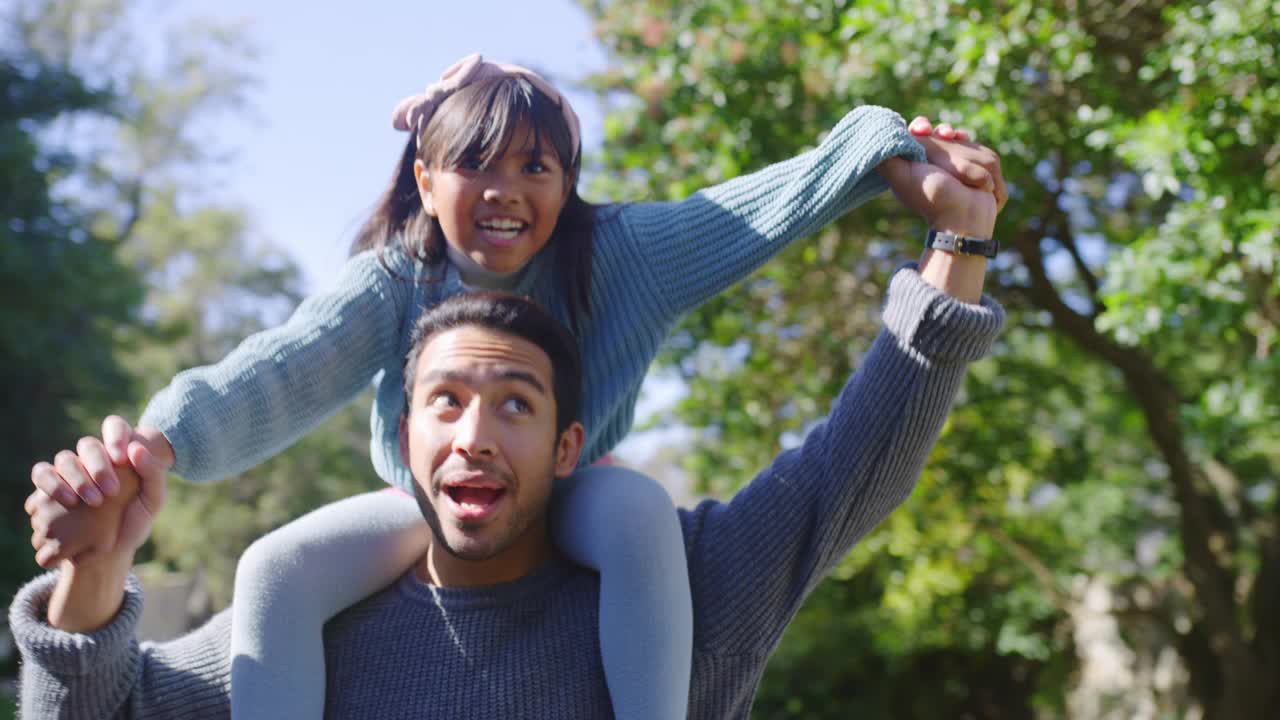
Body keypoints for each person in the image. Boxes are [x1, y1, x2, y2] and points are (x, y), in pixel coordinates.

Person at [25, 53, 1004, 719]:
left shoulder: (621, 255)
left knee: (634, 514)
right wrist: (160, 445)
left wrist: (886, 156)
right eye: (476, 163)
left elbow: (755, 212)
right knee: (273, 567)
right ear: (424, 173)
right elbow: (287, 363)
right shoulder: (393, 280)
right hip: (402, 514)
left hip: (589, 500)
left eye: (537, 166)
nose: (506, 188)